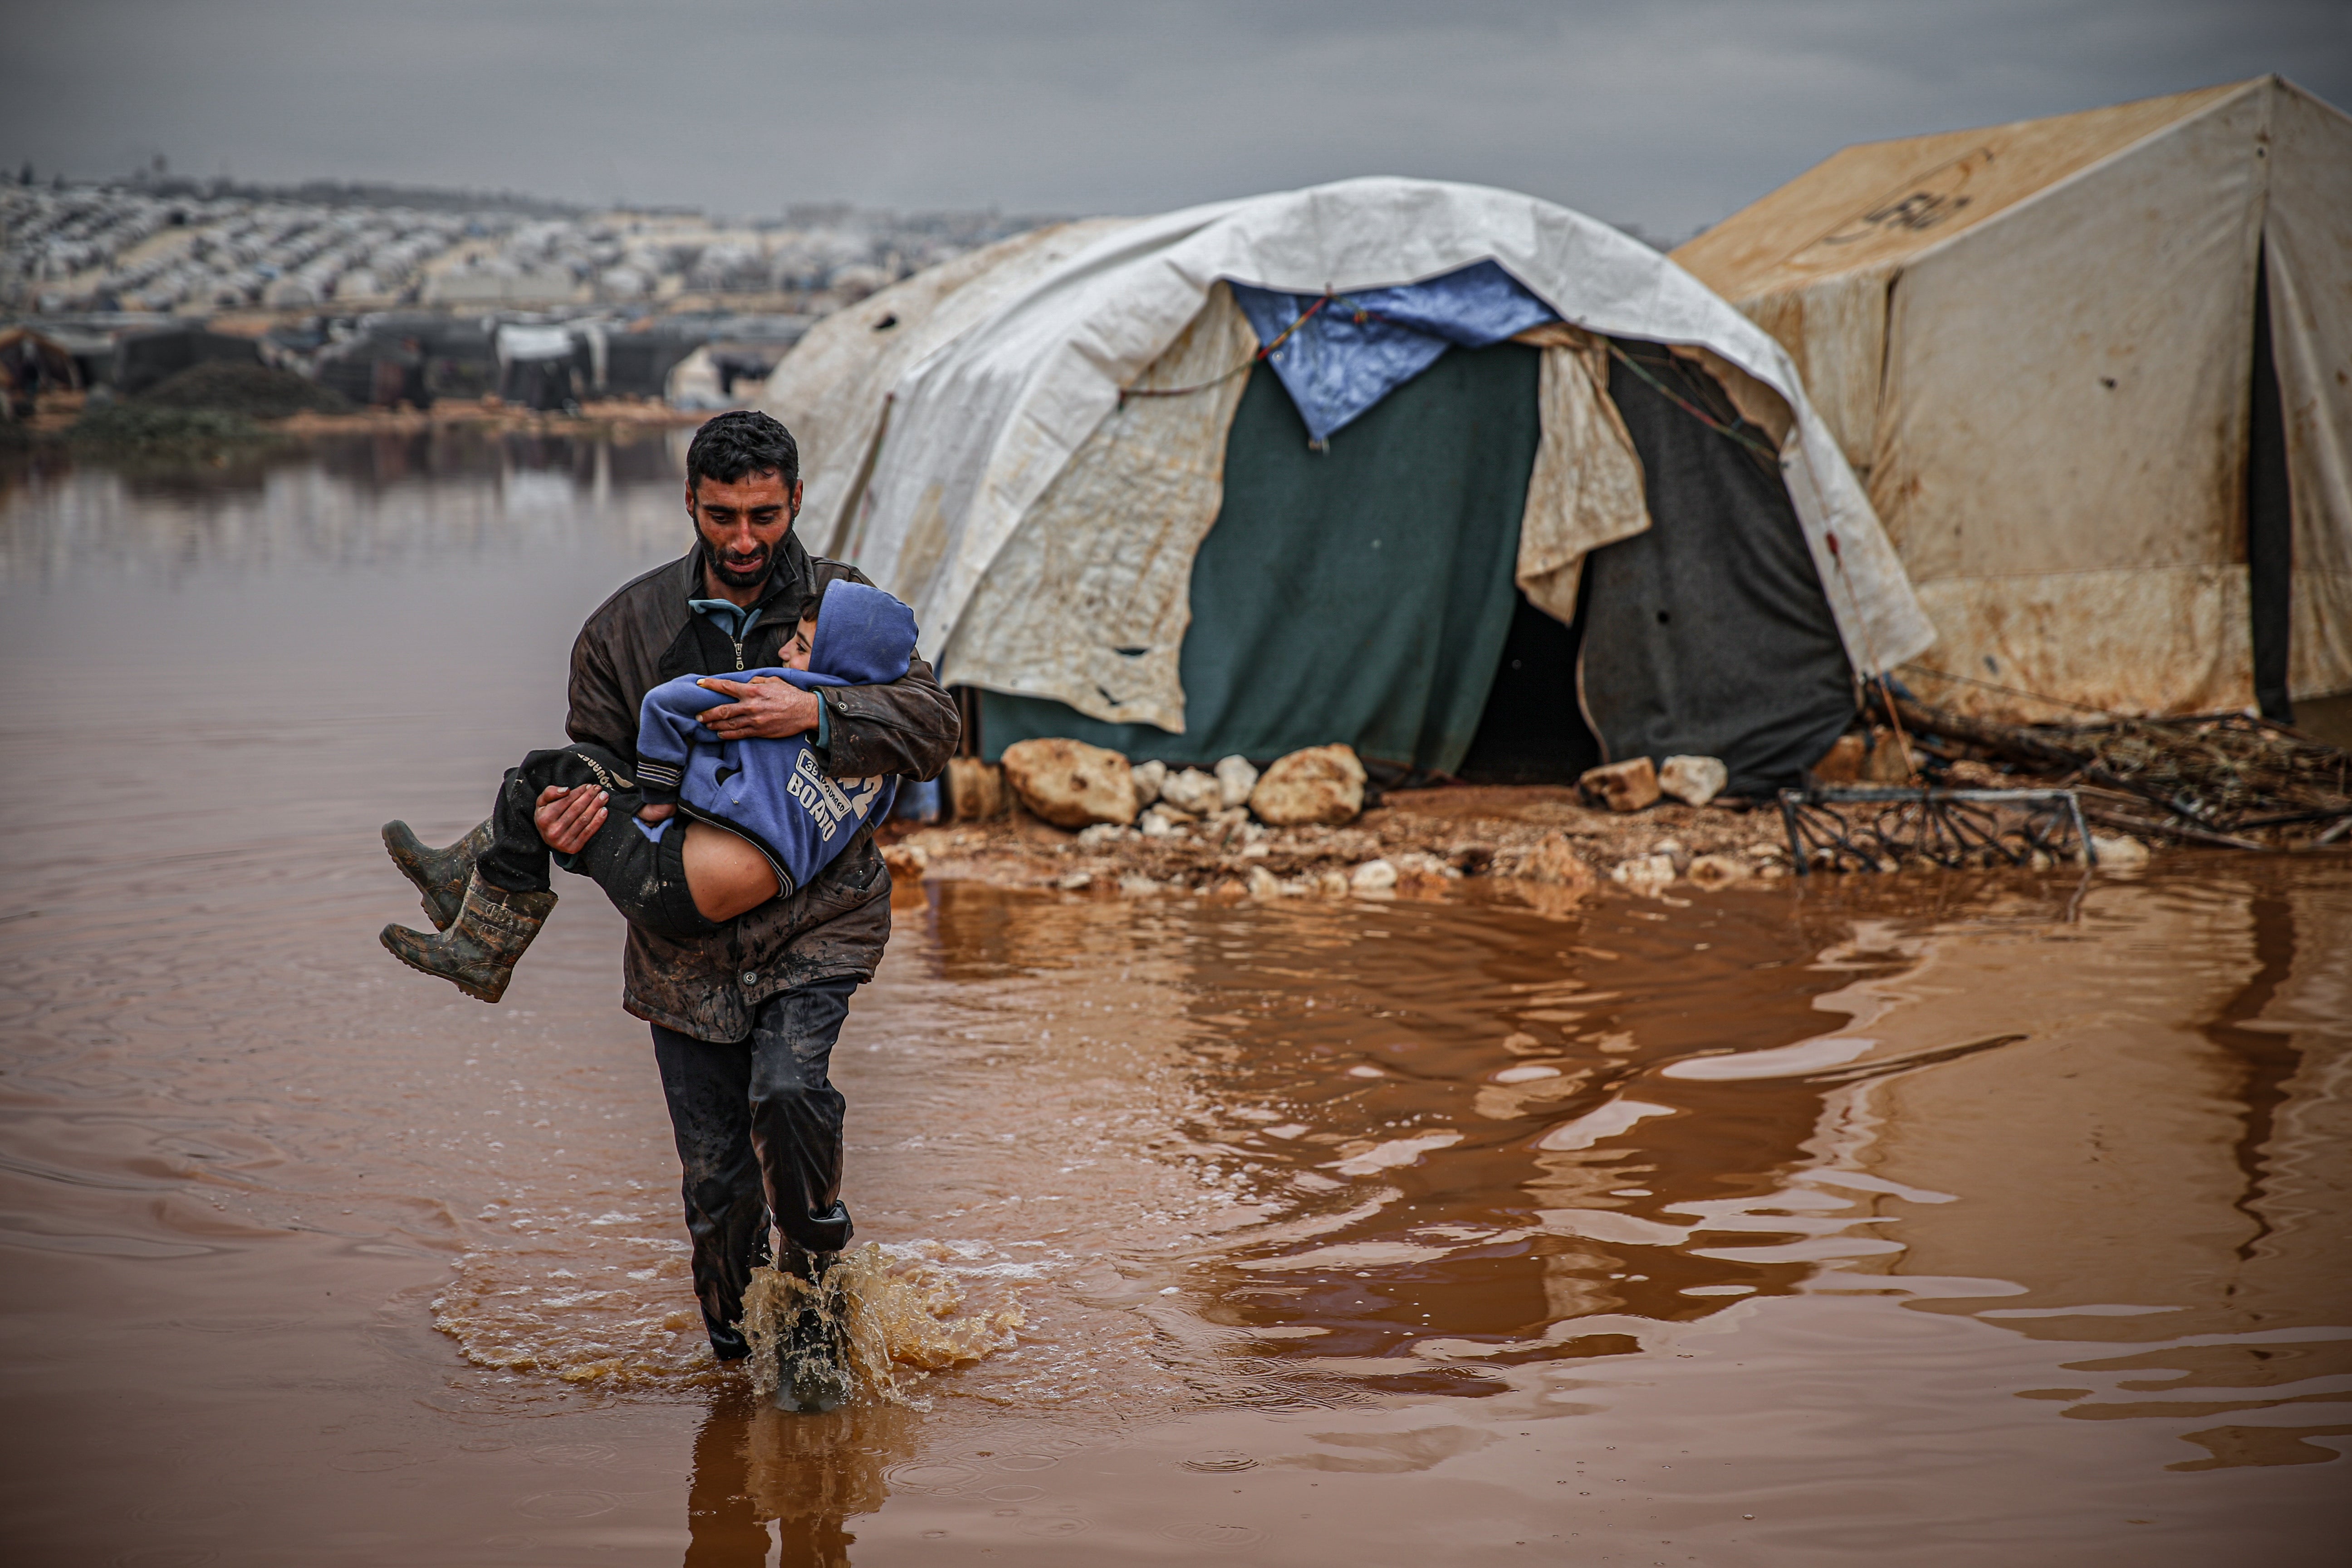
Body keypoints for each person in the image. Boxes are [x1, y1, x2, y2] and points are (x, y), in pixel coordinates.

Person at [388, 411, 960, 1408]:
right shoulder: (623, 628)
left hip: (818, 920)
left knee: (789, 1099)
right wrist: (576, 815)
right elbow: (608, 763)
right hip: (681, 941)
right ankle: (740, 1370)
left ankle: (818, 1337)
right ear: (690, 504)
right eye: (725, 516)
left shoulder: (852, 610)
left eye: (766, 517)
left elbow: (933, 724)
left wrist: (815, 710)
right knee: (715, 1186)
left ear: (793, 505)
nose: (745, 540)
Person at [377, 576, 918, 1001]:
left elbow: (665, 703)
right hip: (735, 892)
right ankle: (460, 884)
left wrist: (662, 788)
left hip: (672, 884)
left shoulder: (780, 691)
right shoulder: (873, 758)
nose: (783, 656)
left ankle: (479, 946)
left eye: (800, 647)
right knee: (590, 769)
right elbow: (861, 817)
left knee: (546, 774)